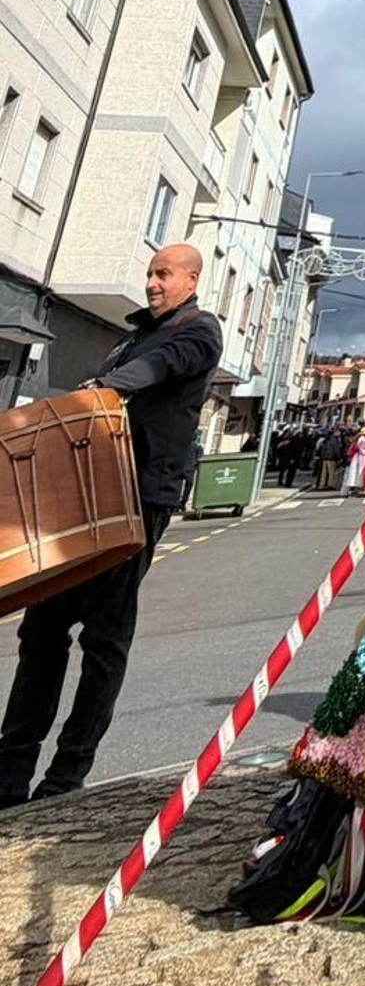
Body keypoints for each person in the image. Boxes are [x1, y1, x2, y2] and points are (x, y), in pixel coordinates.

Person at [0, 243, 222, 806]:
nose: (152, 283)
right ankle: (9, 774)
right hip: (86, 497)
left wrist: (109, 386)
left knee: (104, 639)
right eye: (149, 273)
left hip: (138, 498)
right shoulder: (132, 336)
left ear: (191, 280)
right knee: (42, 631)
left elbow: (161, 366)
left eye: (163, 274)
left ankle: (65, 779)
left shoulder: (198, 330)